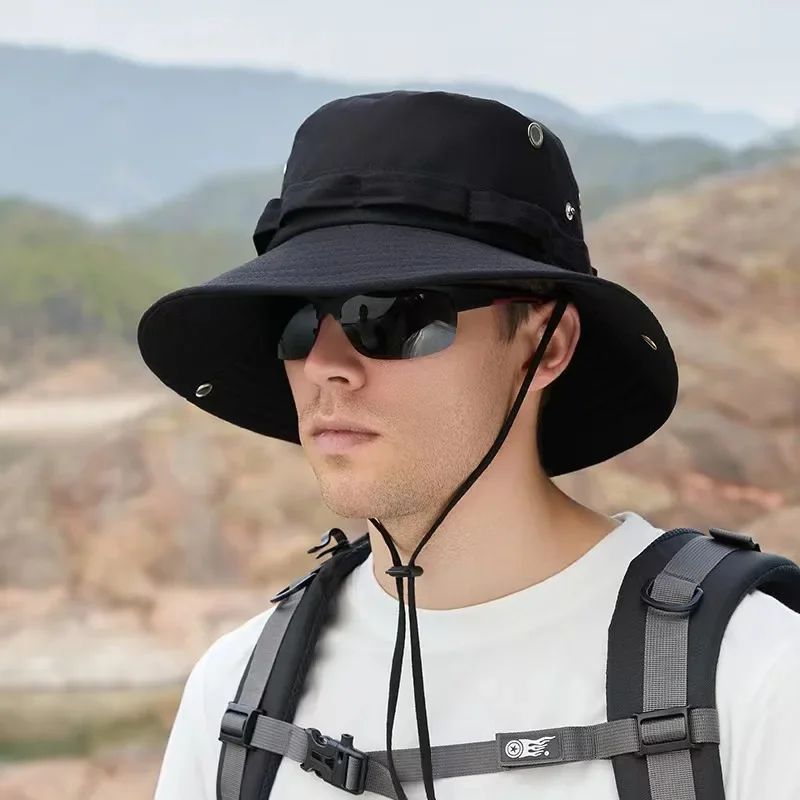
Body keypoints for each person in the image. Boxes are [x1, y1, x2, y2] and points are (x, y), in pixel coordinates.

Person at [137, 90, 800, 800]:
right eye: (297, 321)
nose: (327, 363)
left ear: (547, 346)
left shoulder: (754, 675)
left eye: (392, 317)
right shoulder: (236, 697)